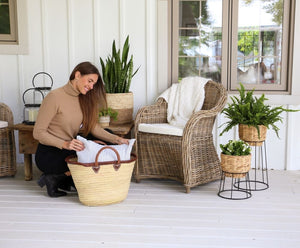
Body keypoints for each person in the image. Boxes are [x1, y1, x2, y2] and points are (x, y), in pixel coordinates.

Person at [33, 61, 129, 197]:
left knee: (108, 137)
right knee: (88, 150)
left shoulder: (84, 99)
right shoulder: (54, 97)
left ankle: (59, 178)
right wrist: (65, 144)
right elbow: (38, 132)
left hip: (72, 147)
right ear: (77, 75)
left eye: (94, 84)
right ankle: (59, 176)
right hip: (51, 153)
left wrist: (117, 139)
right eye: (90, 81)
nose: (91, 87)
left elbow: (94, 127)